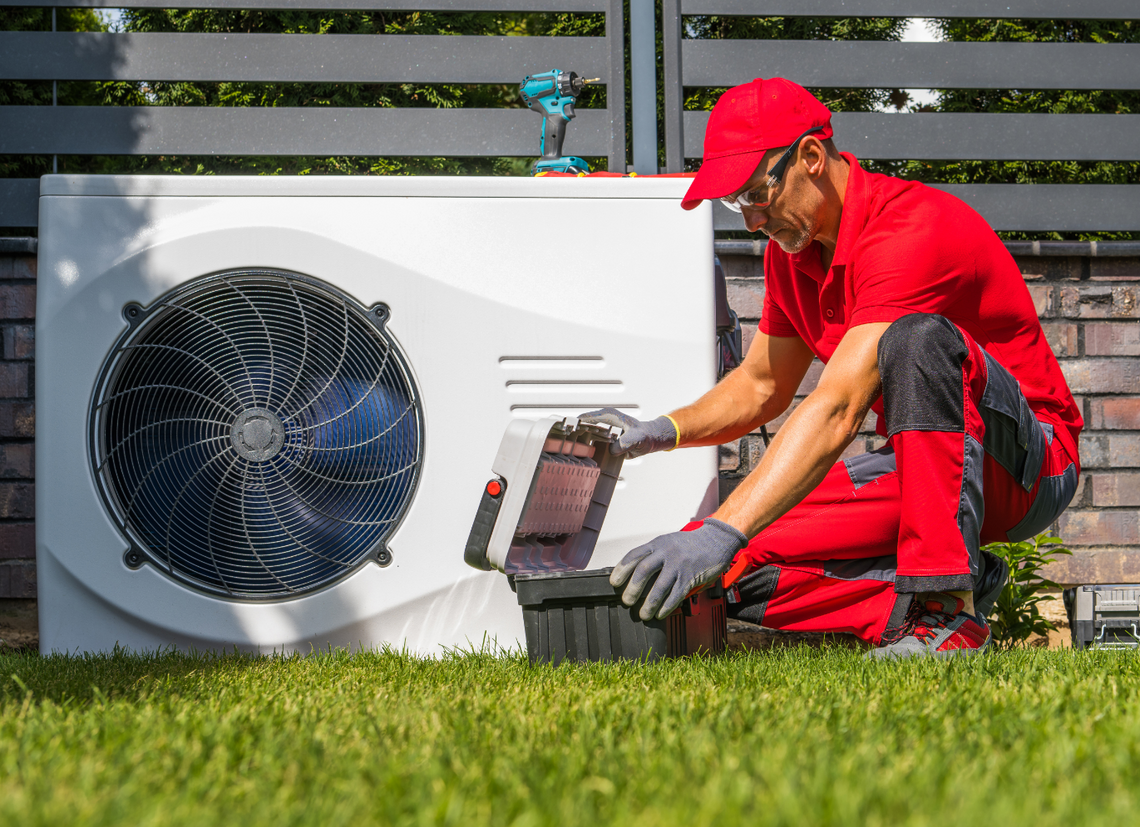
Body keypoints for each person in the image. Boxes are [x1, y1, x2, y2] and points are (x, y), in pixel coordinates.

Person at [582, 77, 1081, 659]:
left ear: (812, 157)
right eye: (735, 203)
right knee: (724, 570)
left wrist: (725, 525)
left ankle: (947, 612)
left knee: (916, 339)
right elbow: (760, 385)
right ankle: (936, 595)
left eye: (756, 195)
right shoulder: (790, 257)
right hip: (925, 470)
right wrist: (659, 432)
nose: (749, 221)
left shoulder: (910, 229)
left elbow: (839, 405)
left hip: (1028, 464)